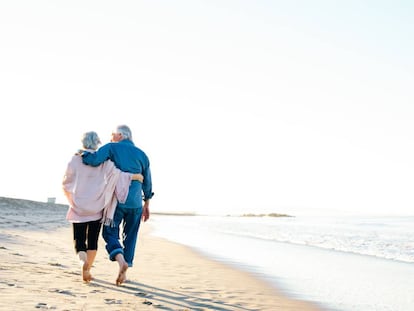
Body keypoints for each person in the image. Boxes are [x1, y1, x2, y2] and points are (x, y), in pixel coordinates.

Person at [62, 131, 144, 283]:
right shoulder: (104, 161)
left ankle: (83, 264)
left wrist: (71, 197)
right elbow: (119, 175)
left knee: (79, 240)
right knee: (92, 240)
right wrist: (136, 177)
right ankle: (89, 268)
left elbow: (66, 182)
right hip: (97, 207)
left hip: (78, 206)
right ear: (98, 142)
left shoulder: (75, 159)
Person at [81, 124, 153, 285]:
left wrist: (82, 154)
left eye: (113, 134)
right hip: (135, 201)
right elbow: (148, 183)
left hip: (117, 200)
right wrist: (146, 203)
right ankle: (126, 268)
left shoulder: (111, 147)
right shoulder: (142, 154)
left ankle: (121, 262)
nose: (111, 137)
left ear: (120, 135)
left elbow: (94, 160)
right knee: (131, 235)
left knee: (109, 232)